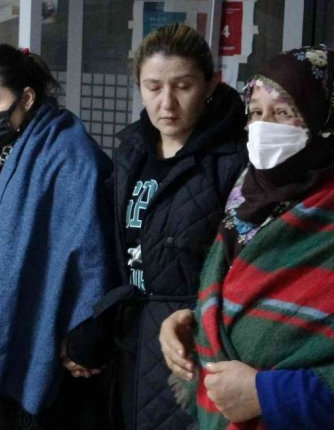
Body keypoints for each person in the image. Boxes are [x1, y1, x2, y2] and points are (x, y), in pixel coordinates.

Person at [67, 23, 248, 430]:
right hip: (129, 338)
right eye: (153, 87)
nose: (166, 103)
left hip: (191, 342)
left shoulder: (233, 160)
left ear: (210, 84)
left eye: (183, 86)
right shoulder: (131, 152)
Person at [159, 45, 334, 429]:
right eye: (256, 112)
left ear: (324, 120)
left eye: (284, 113)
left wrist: (267, 393)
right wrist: (196, 322)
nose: (264, 127)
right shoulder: (246, 195)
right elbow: (238, 291)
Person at [0, 43, 114, 429]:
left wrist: (85, 333)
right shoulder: (17, 149)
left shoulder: (70, 154)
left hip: (56, 348)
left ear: (26, 97)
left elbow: (91, 253)